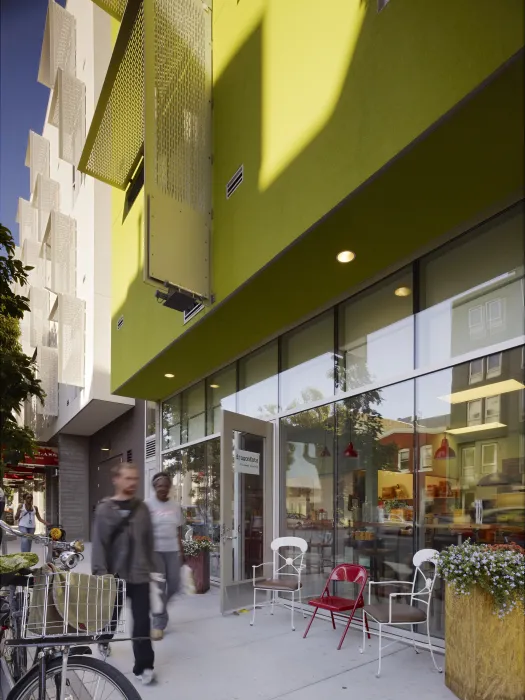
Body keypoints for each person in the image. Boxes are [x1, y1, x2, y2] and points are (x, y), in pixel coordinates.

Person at [91, 462, 157, 686]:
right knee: (112, 615)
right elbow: (99, 544)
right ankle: (104, 639)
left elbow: (149, 540)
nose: (132, 483)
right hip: (115, 575)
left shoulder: (142, 509)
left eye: (135, 479)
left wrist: (151, 567)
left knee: (141, 622)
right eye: (127, 478)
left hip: (140, 574)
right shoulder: (104, 510)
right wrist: (101, 574)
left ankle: (144, 665)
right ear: (116, 480)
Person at [146, 472, 184, 640]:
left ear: (169, 487)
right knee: (160, 588)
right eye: (159, 485)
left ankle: (160, 609)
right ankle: (158, 623)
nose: (163, 488)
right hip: (155, 552)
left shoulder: (175, 506)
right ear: (154, 487)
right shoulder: (147, 505)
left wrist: (181, 550)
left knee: (175, 585)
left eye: (166, 485)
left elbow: (179, 529)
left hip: (172, 550)